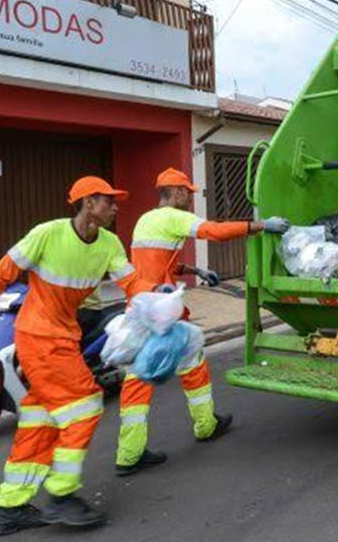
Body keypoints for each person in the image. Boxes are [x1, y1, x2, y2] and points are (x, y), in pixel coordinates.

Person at [0, 176, 156, 536]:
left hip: (64, 334)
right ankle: (62, 494)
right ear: (88, 204)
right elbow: (4, 271)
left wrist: (158, 296)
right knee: (86, 403)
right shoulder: (47, 233)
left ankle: (11, 507)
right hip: (38, 335)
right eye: (109, 201)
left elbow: (131, 281)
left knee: (41, 418)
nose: (116, 207)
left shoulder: (108, 244)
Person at [114, 167, 289, 476]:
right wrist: (262, 226)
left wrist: (194, 271)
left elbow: (158, 262)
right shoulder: (173, 217)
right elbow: (214, 231)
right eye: (188, 193)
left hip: (144, 306)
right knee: (156, 374)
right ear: (177, 192)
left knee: (184, 363)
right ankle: (150, 446)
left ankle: (188, 430)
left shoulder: (146, 219)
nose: (190, 198)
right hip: (160, 310)